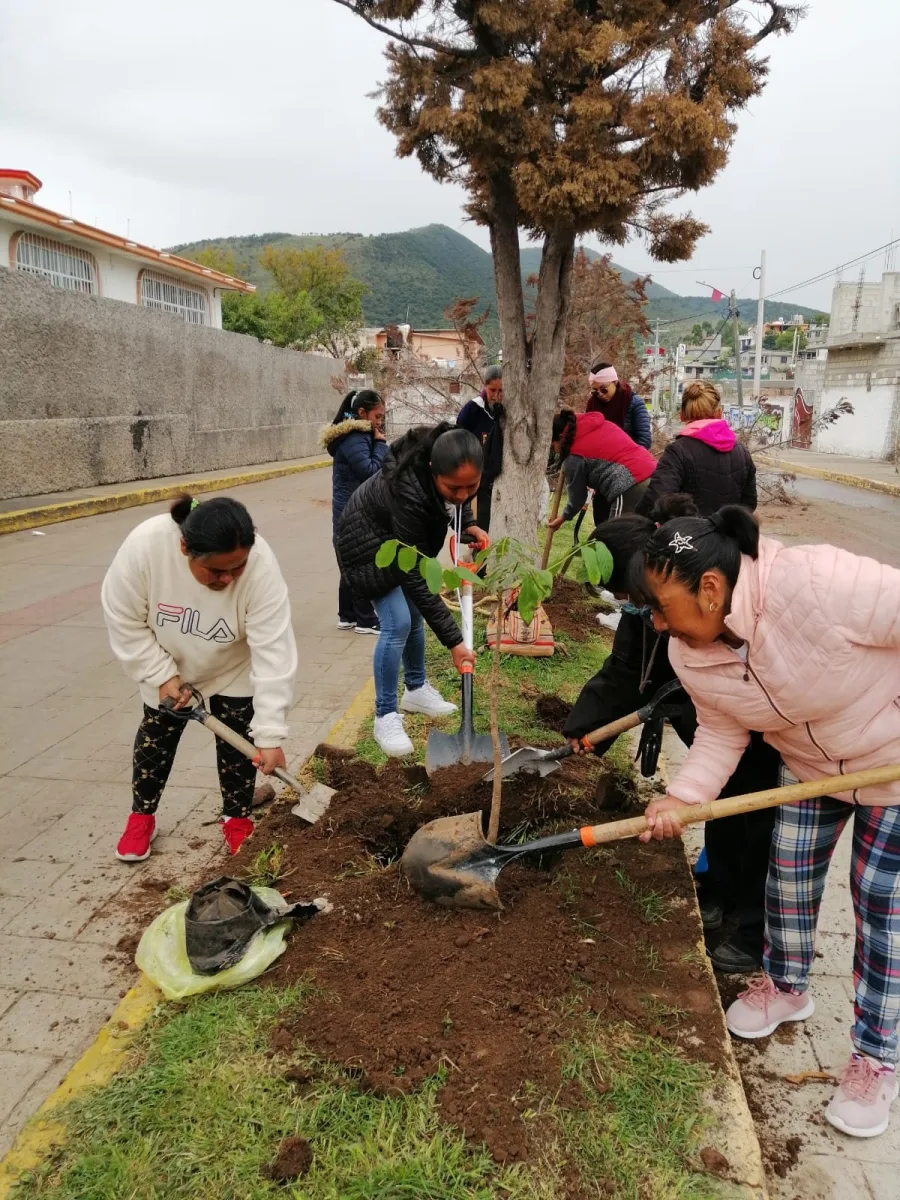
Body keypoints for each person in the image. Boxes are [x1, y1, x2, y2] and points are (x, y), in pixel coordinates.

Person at [636, 506, 900, 1139]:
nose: (655, 620)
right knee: (788, 875)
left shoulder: (815, 582)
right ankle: (787, 984)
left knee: (881, 903)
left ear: (709, 589)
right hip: (812, 765)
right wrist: (683, 796)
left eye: (662, 605)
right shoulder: (689, 651)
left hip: (892, 760)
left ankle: (876, 1058)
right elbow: (722, 729)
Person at [562, 496, 780, 973]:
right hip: (714, 722)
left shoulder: (705, 592)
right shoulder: (648, 611)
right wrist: (583, 737)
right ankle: (718, 889)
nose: (638, 613)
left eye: (631, 598)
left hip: (762, 724)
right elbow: (622, 674)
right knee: (717, 805)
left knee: (759, 817)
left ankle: (753, 924)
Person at [102, 495, 298, 862]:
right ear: (184, 548)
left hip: (231, 666)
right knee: (155, 739)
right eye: (216, 571)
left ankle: (236, 818)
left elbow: (275, 653)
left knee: (239, 744)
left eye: (236, 568)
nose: (228, 579)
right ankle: (141, 816)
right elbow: (123, 618)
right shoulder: (146, 547)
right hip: (167, 664)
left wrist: (270, 734)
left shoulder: (261, 567)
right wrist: (159, 673)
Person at [336, 424, 487, 757]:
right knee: (398, 622)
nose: (462, 495)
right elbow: (417, 575)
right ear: (433, 470)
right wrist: (454, 642)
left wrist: (469, 521)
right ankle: (385, 715)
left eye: (471, 487)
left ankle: (416, 689)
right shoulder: (406, 491)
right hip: (366, 550)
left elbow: (458, 498)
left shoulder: (444, 456)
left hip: (395, 544)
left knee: (415, 614)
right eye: (454, 488)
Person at [637, 380, 756, 518]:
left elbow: (656, 501)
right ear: (719, 413)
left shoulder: (677, 452)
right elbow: (749, 503)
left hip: (689, 537)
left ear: (682, 414)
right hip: (730, 536)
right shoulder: (742, 452)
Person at [321, 388, 387, 633]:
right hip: (354, 512)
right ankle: (366, 620)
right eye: (377, 416)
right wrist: (381, 445)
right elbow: (371, 472)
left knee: (350, 563)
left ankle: (347, 616)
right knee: (360, 563)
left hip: (350, 510)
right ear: (362, 412)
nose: (380, 421)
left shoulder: (355, 435)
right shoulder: (355, 437)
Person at [547, 407, 657, 534]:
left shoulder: (574, 456)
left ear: (560, 437)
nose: (554, 451)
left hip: (632, 483)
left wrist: (563, 518)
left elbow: (578, 498)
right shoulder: (594, 425)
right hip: (654, 474)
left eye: (552, 445)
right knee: (641, 534)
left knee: (616, 539)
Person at [456, 365, 504, 534]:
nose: (497, 396)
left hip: (494, 469)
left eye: (501, 391)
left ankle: (482, 544)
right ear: (484, 386)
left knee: (486, 513)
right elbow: (459, 432)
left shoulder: (504, 409)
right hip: (474, 465)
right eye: (492, 390)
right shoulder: (473, 408)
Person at [585, 361, 652, 449]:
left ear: (615, 382)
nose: (600, 394)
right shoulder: (592, 404)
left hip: (627, 457)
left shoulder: (634, 402)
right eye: (595, 391)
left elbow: (644, 440)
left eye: (603, 389)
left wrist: (624, 456)